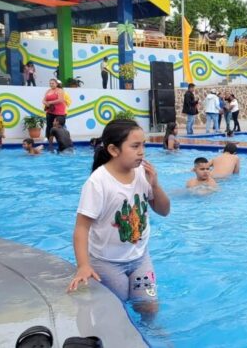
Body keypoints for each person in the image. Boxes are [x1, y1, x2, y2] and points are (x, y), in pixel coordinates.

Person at [67, 120, 171, 321]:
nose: (142, 152)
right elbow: (81, 227)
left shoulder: (142, 173)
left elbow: (164, 210)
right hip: (108, 262)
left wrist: (155, 186)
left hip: (140, 258)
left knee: (149, 306)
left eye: (143, 145)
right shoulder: (98, 183)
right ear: (114, 150)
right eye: (135, 146)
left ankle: (151, 337)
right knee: (117, 307)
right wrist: (83, 265)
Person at [42, 79, 67, 151]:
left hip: (59, 112)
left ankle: (62, 140)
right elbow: (43, 100)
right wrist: (45, 103)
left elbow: (61, 100)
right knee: (49, 125)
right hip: (50, 111)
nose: (51, 84)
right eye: (50, 83)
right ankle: (48, 140)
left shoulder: (60, 90)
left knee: (59, 126)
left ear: (56, 84)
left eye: (52, 83)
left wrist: (50, 102)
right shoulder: (48, 91)